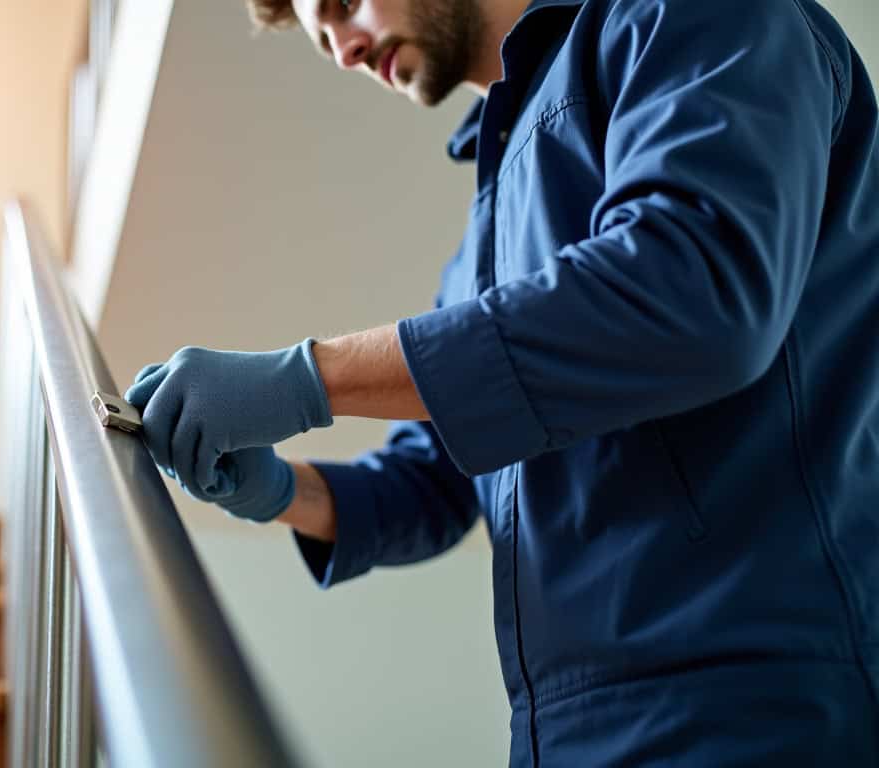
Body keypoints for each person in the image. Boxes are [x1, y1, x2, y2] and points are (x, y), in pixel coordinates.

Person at [123, 0, 879, 764]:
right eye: (323, 39)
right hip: (563, 733)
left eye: (343, 6)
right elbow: (438, 480)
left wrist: (306, 377)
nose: (344, 49)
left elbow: (692, 292)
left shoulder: (695, 16)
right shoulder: (491, 218)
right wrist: (282, 492)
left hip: (756, 702)